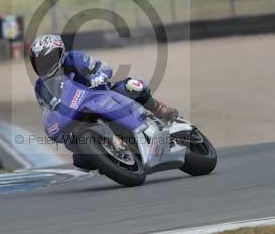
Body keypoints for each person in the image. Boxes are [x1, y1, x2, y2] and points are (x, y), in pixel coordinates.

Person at [29, 34, 179, 170]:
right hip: (77, 114)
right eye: (39, 62)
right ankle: (108, 158)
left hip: (101, 94)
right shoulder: (40, 87)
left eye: (47, 59)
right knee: (80, 160)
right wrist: (54, 125)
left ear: (60, 53)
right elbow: (46, 109)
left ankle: (158, 109)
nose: (44, 65)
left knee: (131, 86)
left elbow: (104, 67)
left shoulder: (75, 58)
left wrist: (98, 76)